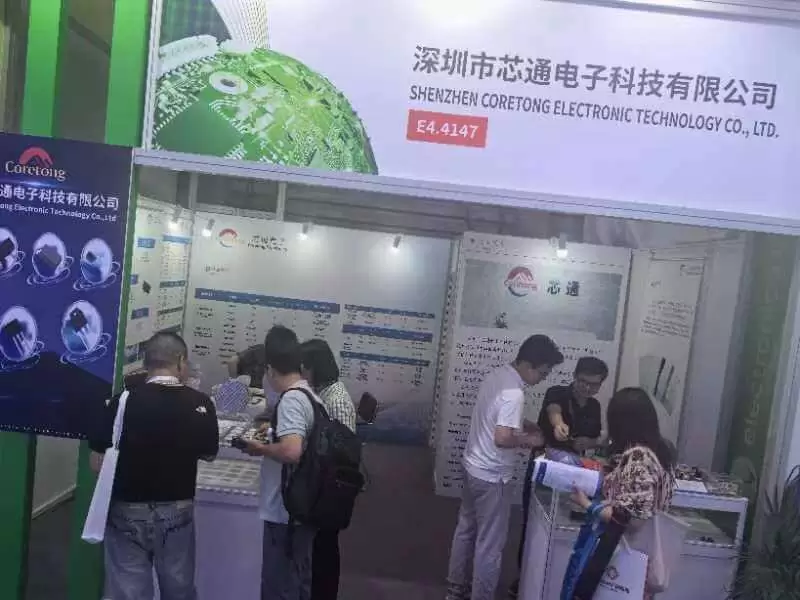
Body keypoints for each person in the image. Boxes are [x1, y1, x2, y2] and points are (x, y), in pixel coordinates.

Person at [89, 332, 219, 600]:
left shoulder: (121, 402)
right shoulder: (200, 404)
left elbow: (96, 463)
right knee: (178, 587)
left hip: (126, 509)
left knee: (126, 589)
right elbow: (208, 454)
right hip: (177, 509)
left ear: (146, 363)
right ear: (180, 361)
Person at [445, 334, 564, 600]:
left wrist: (524, 423)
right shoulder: (515, 394)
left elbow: (493, 418)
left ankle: (455, 589)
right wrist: (533, 440)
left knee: (465, 529)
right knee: (490, 545)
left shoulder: (497, 375)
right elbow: (502, 438)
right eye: (543, 373)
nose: (543, 378)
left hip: (472, 465)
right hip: (492, 476)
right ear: (529, 365)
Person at [509, 357, 609, 597]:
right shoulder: (557, 392)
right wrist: (558, 424)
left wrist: (589, 442)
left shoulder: (594, 406)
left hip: (575, 473)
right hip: (546, 468)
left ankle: (556, 578)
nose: (587, 388)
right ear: (574, 376)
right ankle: (524, 579)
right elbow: (553, 410)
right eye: (583, 381)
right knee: (533, 523)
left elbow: (595, 438)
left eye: (594, 384)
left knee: (568, 525)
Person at [568, 387, 676, 600]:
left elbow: (632, 519)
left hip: (626, 552)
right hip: (643, 556)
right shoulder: (661, 450)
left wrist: (587, 504)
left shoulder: (638, 457)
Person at [240, 325, 322, 600]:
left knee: (280, 584)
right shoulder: (308, 394)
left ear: (270, 370)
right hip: (302, 506)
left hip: (286, 511)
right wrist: (275, 432)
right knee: (298, 580)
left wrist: (260, 448)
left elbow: (292, 451)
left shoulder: (291, 401)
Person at [299, 339, 357, 600]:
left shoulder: (337, 400)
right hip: (323, 484)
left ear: (314, 367)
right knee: (319, 547)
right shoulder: (324, 393)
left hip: (331, 489)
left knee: (324, 548)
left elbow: (344, 451)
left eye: (303, 367)